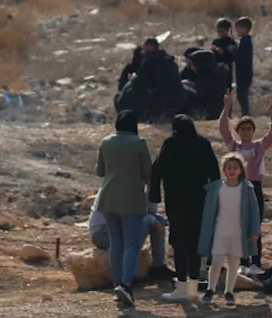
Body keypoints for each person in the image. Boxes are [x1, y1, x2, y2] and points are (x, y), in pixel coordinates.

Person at [151, 114, 221, 302]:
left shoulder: (171, 144)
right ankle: (192, 289)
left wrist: (155, 197)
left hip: (176, 203)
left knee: (179, 243)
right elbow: (215, 175)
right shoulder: (203, 144)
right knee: (194, 245)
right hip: (199, 202)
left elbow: (156, 171)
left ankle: (181, 288)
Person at [96, 110, 153, 307]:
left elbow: (100, 171)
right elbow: (148, 172)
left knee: (116, 243)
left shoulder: (106, 142)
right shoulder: (139, 143)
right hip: (130, 199)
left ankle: (117, 283)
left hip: (108, 197)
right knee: (132, 244)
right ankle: (127, 285)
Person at [219, 92, 272, 275]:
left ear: (253, 131)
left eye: (248, 129)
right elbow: (223, 129)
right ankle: (243, 261)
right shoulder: (235, 147)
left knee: (255, 225)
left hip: (255, 188)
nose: (245, 131)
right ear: (238, 131)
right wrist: (227, 108)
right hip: (239, 187)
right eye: (242, 129)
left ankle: (256, 261)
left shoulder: (259, 146)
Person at [197, 153, 261, 308]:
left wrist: (254, 231)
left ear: (240, 170)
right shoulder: (216, 187)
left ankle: (229, 291)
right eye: (229, 167)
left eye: (235, 168)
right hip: (220, 229)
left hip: (238, 232)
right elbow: (209, 211)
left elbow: (254, 210)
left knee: (234, 262)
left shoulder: (247, 188)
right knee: (217, 260)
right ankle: (210, 289)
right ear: (224, 170)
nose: (232, 171)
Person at [88, 190, 173, 280]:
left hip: (119, 226)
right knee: (144, 223)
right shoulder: (123, 186)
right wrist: (152, 220)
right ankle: (126, 275)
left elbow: (150, 211)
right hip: (102, 233)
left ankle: (158, 267)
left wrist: (151, 189)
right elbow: (130, 217)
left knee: (159, 220)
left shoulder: (136, 185)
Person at [185, 48, 229, 119]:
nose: (192, 68)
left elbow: (200, 96)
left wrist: (186, 88)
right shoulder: (218, 72)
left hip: (210, 111)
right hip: (221, 108)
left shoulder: (204, 76)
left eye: (194, 64)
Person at [234, 17, 255, 113]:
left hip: (244, 73)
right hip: (242, 73)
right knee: (241, 95)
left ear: (245, 29)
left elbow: (241, 58)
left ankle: (246, 114)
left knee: (242, 95)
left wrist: (234, 51)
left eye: (238, 28)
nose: (237, 31)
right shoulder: (244, 41)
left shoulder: (245, 42)